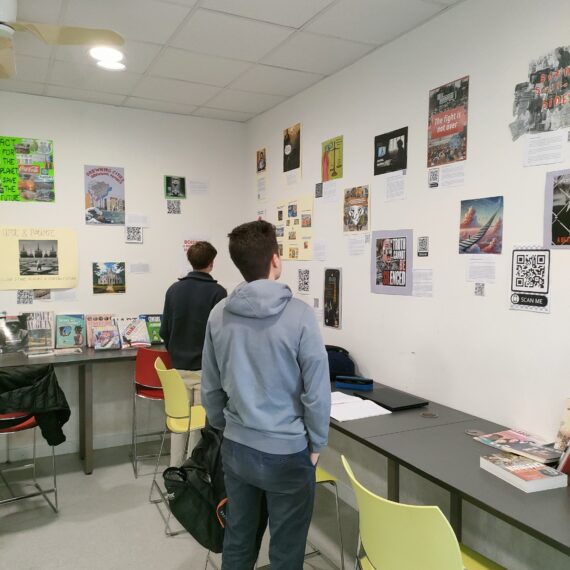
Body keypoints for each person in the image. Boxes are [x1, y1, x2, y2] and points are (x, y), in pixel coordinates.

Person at [201, 220, 331, 570]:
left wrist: (224, 427)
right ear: (276, 259)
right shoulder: (300, 315)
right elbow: (317, 391)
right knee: (286, 551)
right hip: (287, 451)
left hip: (237, 447)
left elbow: (210, 386)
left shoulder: (218, 314)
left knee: (239, 539)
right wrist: (317, 444)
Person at [160, 241, 227, 466]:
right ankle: (192, 473)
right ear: (211, 263)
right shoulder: (218, 292)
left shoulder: (173, 290)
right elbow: (220, 335)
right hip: (204, 372)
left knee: (178, 423)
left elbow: (164, 331)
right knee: (198, 427)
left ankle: (175, 471)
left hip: (177, 370)